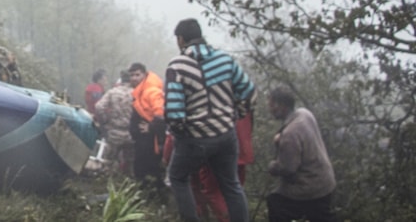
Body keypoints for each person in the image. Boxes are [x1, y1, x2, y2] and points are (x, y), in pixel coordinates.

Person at [164, 18, 256, 222]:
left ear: (180, 39)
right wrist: (237, 114)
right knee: (231, 185)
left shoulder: (178, 65)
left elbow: (174, 113)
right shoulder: (225, 59)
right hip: (225, 135)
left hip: (195, 138)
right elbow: (248, 91)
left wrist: (181, 136)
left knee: (178, 177)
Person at [266, 86, 337, 222]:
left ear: (282, 106)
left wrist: (272, 167)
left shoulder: (290, 134)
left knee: (275, 202)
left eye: (272, 106)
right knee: (321, 216)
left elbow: (288, 168)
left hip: (309, 188)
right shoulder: (304, 114)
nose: (270, 110)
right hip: (326, 181)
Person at [128, 62, 167, 193]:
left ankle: (156, 198)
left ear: (144, 75)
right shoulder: (139, 91)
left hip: (151, 141)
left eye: (137, 75)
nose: (134, 78)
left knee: (152, 170)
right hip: (142, 140)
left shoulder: (151, 90)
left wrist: (151, 127)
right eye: (131, 75)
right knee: (142, 169)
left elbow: (160, 114)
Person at [94, 70, 135, 175]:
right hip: (131, 133)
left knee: (108, 163)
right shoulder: (136, 92)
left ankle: (106, 186)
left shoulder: (112, 92)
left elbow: (99, 107)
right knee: (130, 164)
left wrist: (105, 121)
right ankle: (128, 187)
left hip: (114, 132)